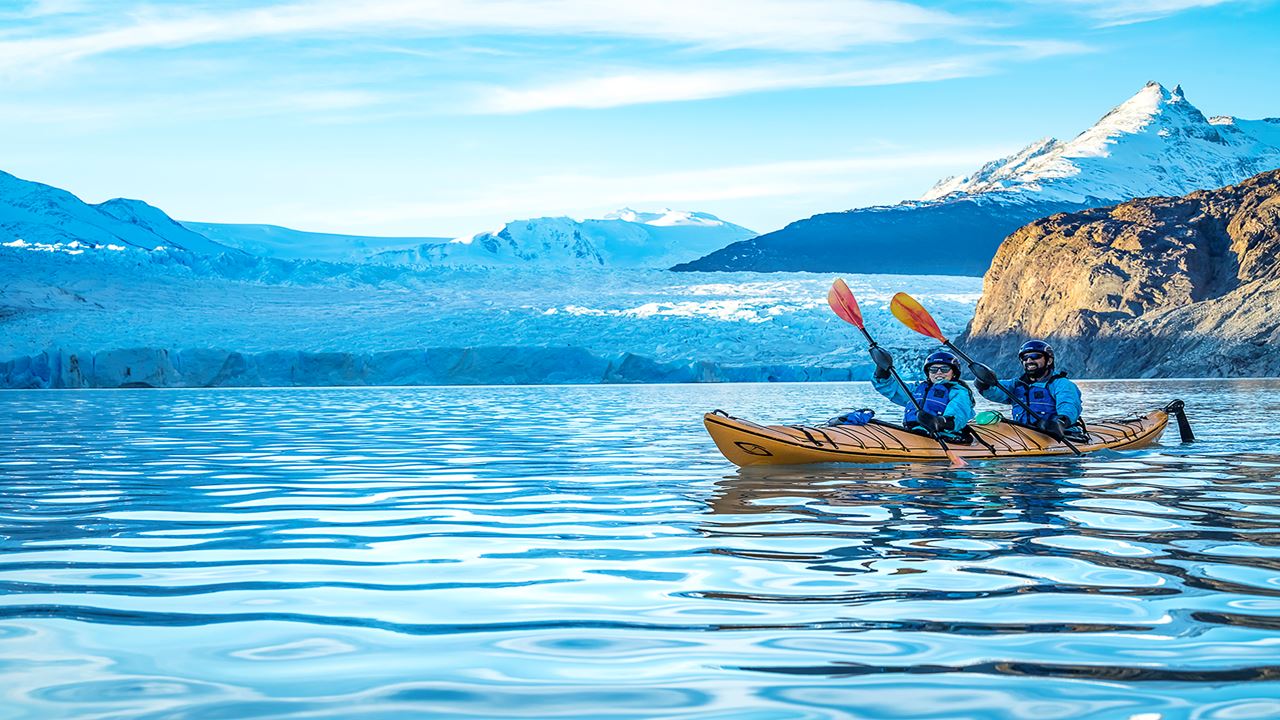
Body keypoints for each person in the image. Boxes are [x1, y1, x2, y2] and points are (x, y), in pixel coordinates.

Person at [976, 340, 1083, 436]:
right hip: (1024, 435)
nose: (1029, 360)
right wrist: (983, 383)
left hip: (1055, 434)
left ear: (1049, 361)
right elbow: (995, 391)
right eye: (1025, 358)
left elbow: (1069, 405)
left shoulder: (1061, 384)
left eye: (1035, 356)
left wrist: (1060, 422)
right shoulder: (1016, 384)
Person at [871, 349, 975, 439]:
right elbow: (889, 388)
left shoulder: (958, 391)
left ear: (954, 373)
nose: (938, 372)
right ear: (928, 373)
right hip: (913, 431)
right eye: (933, 370)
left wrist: (939, 422)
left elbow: (959, 412)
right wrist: (882, 370)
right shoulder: (918, 389)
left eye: (945, 369)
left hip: (941, 434)